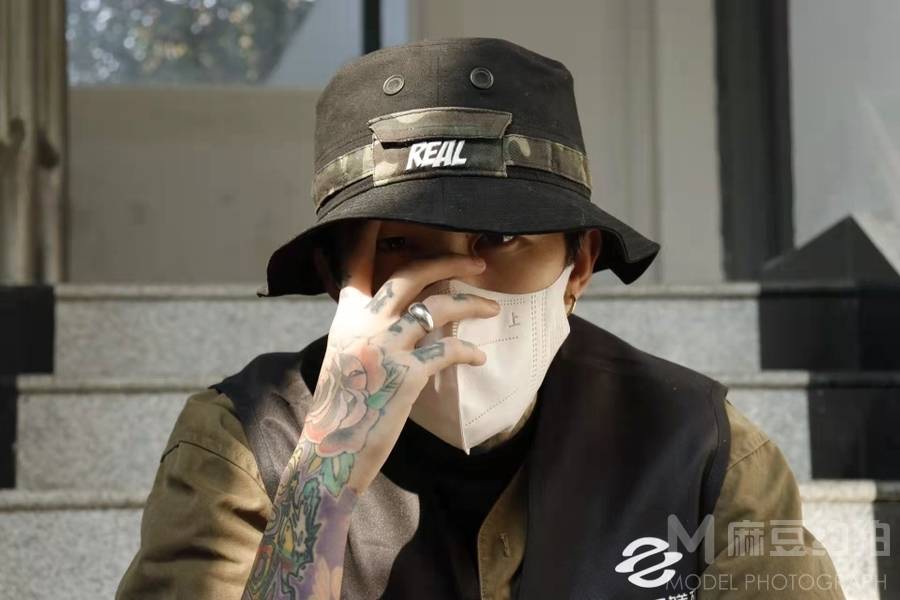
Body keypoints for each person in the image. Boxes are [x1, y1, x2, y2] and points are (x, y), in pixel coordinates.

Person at [116, 37, 845, 599]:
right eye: (402, 245)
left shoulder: (696, 447)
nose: (457, 283)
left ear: (579, 266)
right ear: (335, 277)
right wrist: (323, 479)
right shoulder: (245, 445)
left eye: (501, 238)